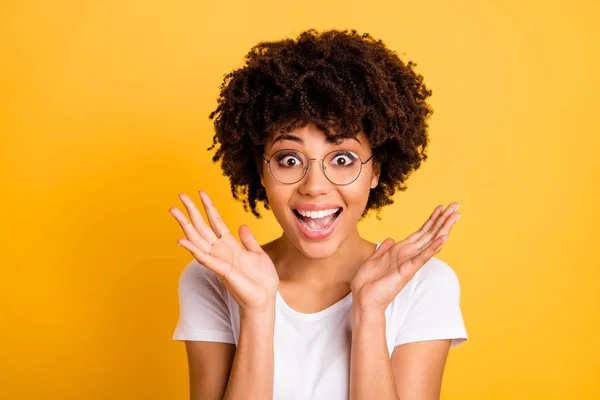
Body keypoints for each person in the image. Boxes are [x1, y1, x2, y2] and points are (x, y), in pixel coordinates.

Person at [169, 28, 468, 400]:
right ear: (261, 171)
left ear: (376, 171)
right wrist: (259, 311)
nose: (315, 186)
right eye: (289, 159)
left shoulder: (425, 285)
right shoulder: (212, 280)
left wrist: (370, 312)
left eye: (342, 159)